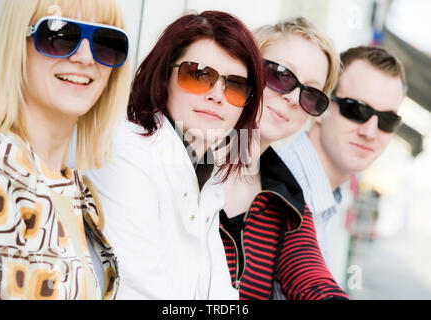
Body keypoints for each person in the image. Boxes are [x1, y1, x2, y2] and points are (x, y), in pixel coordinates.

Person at [84, 11, 265, 299]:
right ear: (163, 76)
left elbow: (219, 293)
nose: (217, 95)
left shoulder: (208, 171)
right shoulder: (127, 154)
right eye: (198, 75)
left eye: (235, 85)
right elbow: (138, 292)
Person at [0, 0, 131, 300]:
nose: (86, 58)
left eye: (105, 42)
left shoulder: (80, 191)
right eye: (60, 36)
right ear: (17, 45)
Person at [220, 17, 349, 299]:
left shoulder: (288, 201)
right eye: (280, 74)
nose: (292, 98)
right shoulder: (184, 156)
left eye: (310, 94)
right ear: (246, 65)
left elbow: (313, 281)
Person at [278, 45, 405, 276]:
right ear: (320, 106)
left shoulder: (325, 201)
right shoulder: (278, 189)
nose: (370, 132)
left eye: (387, 121)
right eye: (356, 110)